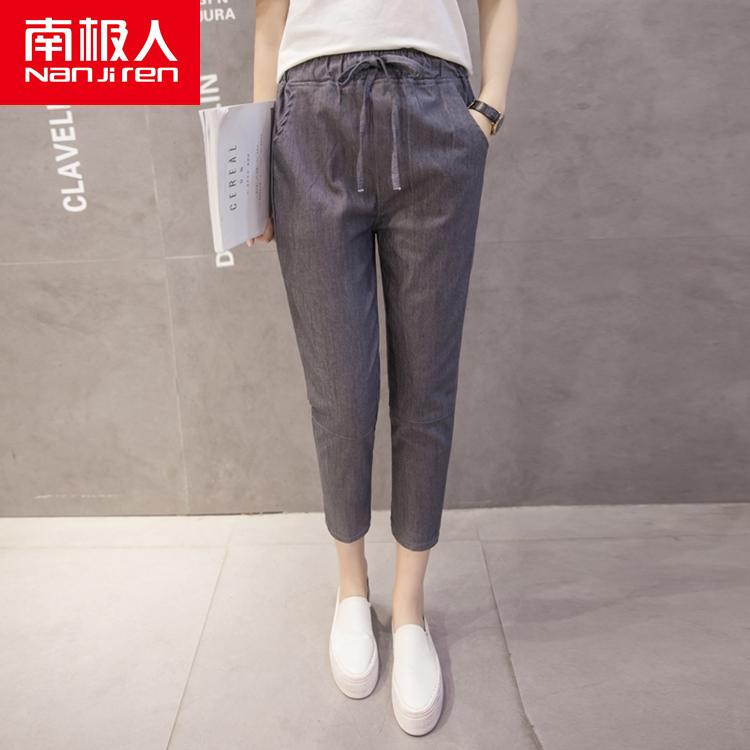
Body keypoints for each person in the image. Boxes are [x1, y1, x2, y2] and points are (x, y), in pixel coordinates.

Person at [249, 0, 518, 736]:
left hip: (437, 114)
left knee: (427, 389)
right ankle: (350, 590)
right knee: (339, 391)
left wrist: (488, 108)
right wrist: (257, 158)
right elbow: (269, 22)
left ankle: (409, 608)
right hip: (309, 121)